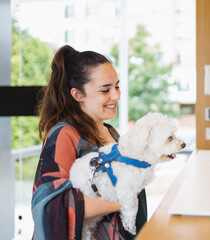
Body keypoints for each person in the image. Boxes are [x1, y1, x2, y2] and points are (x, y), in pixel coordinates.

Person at [31, 45, 147, 240]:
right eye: (105, 90)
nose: (116, 95)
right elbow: (52, 206)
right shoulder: (64, 135)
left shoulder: (111, 132)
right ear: (78, 95)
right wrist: (125, 196)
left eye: (117, 86)